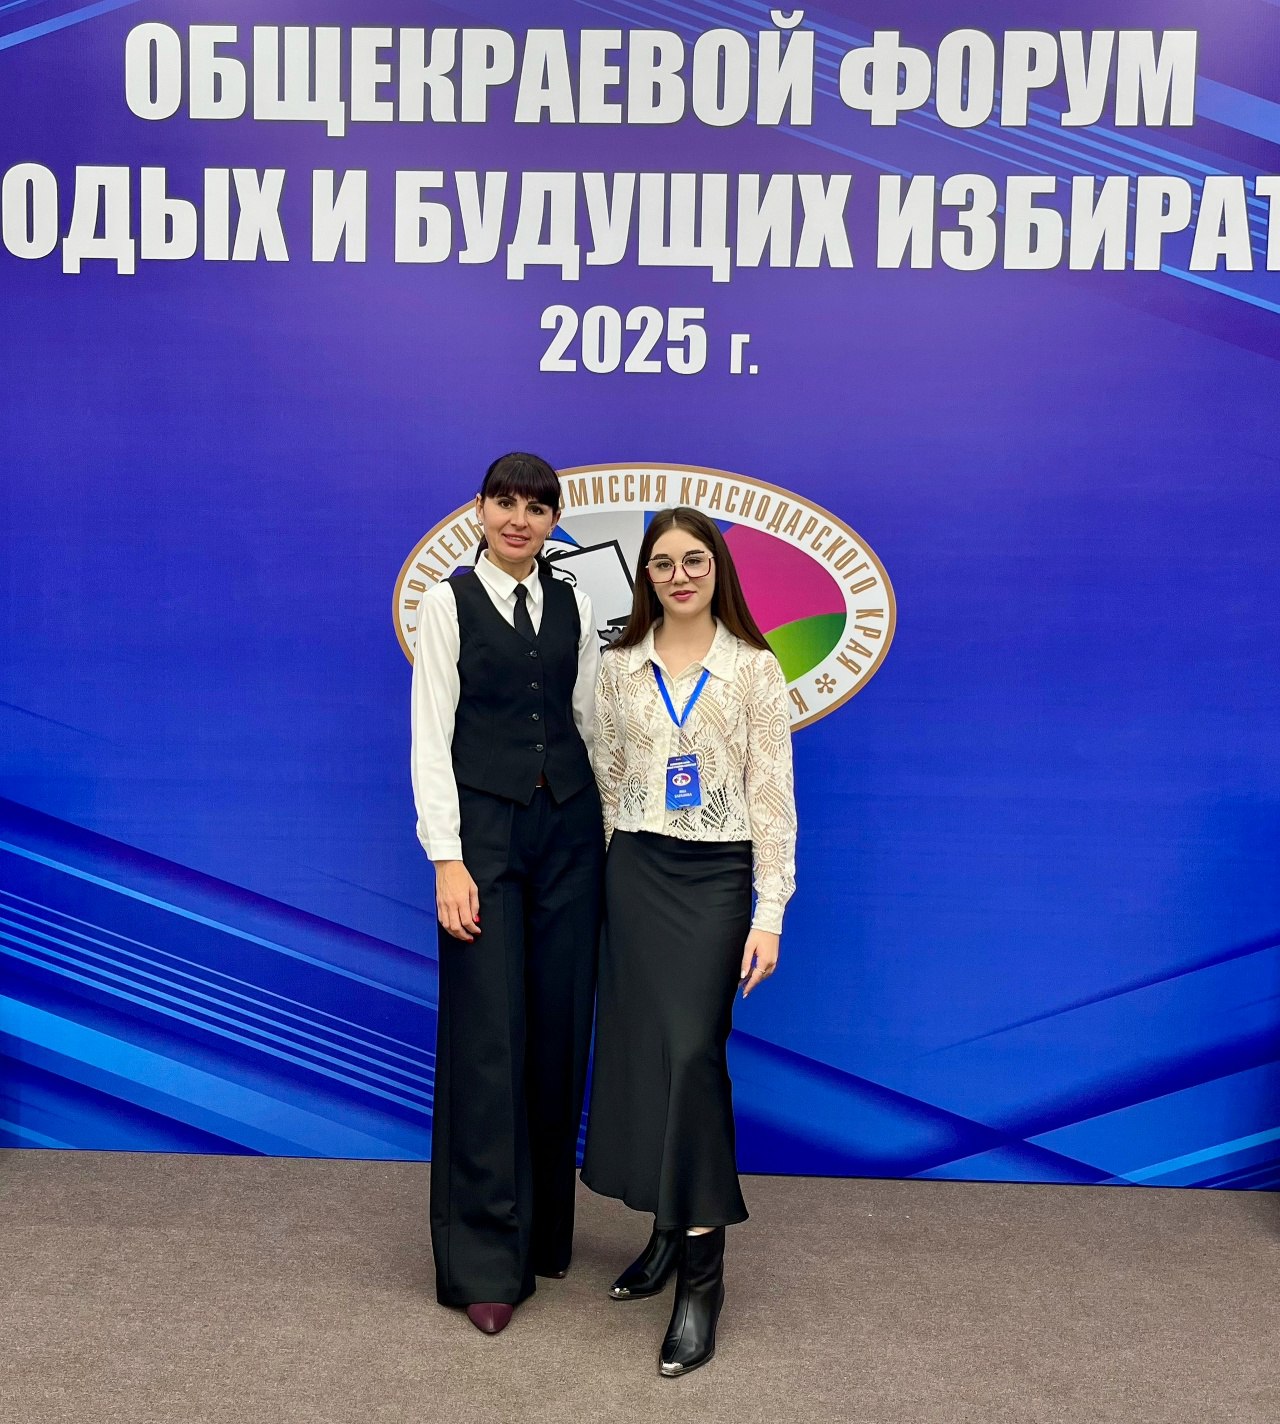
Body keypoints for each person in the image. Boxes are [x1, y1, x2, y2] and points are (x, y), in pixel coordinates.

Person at [582, 506, 797, 1377]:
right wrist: (607, 884)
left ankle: (703, 1282)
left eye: (694, 560)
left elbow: (772, 795)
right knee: (646, 1059)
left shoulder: (754, 669)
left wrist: (769, 910)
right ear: (647, 575)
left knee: (693, 1057)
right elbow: (608, 779)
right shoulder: (619, 666)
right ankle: (668, 1232)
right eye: (664, 562)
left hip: (714, 880)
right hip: (634, 873)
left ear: (718, 569)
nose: (679, 575)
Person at [410, 452, 603, 1336]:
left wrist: (611, 839)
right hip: (483, 838)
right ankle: (486, 1260)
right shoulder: (446, 604)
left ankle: (543, 1233)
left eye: (536, 506)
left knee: (559, 1030)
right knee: (488, 1038)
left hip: (570, 834)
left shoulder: (576, 602)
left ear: (554, 520)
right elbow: (430, 737)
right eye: (505, 502)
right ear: (479, 511)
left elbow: (589, 723)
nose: (519, 518)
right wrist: (447, 859)